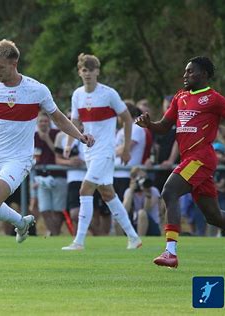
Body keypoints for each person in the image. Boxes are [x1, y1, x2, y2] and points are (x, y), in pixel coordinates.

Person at [0, 39, 94, 271]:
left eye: (0, 67)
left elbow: (58, 118)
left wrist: (80, 136)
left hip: (20, 158)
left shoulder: (36, 90)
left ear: (14, 62)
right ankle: (21, 222)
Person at [135, 56, 225, 268]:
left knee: (169, 191)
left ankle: (171, 252)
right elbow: (164, 126)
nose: (185, 75)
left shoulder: (214, 99)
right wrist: (149, 124)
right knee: (213, 216)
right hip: (189, 159)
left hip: (201, 158)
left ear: (204, 74)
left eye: (190, 71)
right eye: (185, 71)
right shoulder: (180, 97)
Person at [62, 53, 142, 251]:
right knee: (108, 195)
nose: (87, 73)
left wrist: (124, 150)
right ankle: (133, 238)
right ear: (79, 72)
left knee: (85, 190)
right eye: (84, 70)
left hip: (105, 152)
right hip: (89, 152)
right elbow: (74, 122)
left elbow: (127, 118)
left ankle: (79, 241)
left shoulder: (109, 94)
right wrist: (68, 143)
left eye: (91, 70)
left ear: (97, 72)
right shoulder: (77, 95)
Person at [34, 112, 66, 236]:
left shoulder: (56, 134)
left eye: (45, 121)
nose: (43, 124)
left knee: (58, 210)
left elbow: (58, 153)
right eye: (41, 121)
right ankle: (54, 234)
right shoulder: (34, 136)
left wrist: (47, 139)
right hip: (42, 177)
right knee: (44, 209)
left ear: (50, 122)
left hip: (58, 174)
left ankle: (54, 234)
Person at [122, 167, 161, 236]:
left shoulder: (153, 190)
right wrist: (131, 191)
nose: (144, 180)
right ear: (133, 179)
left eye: (145, 177)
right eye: (141, 178)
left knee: (142, 213)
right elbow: (125, 211)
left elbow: (147, 210)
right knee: (117, 218)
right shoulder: (128, 191)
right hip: (135, 223)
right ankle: (120, 243)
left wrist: (147, 195)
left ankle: (140, 242)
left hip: (151, 225)